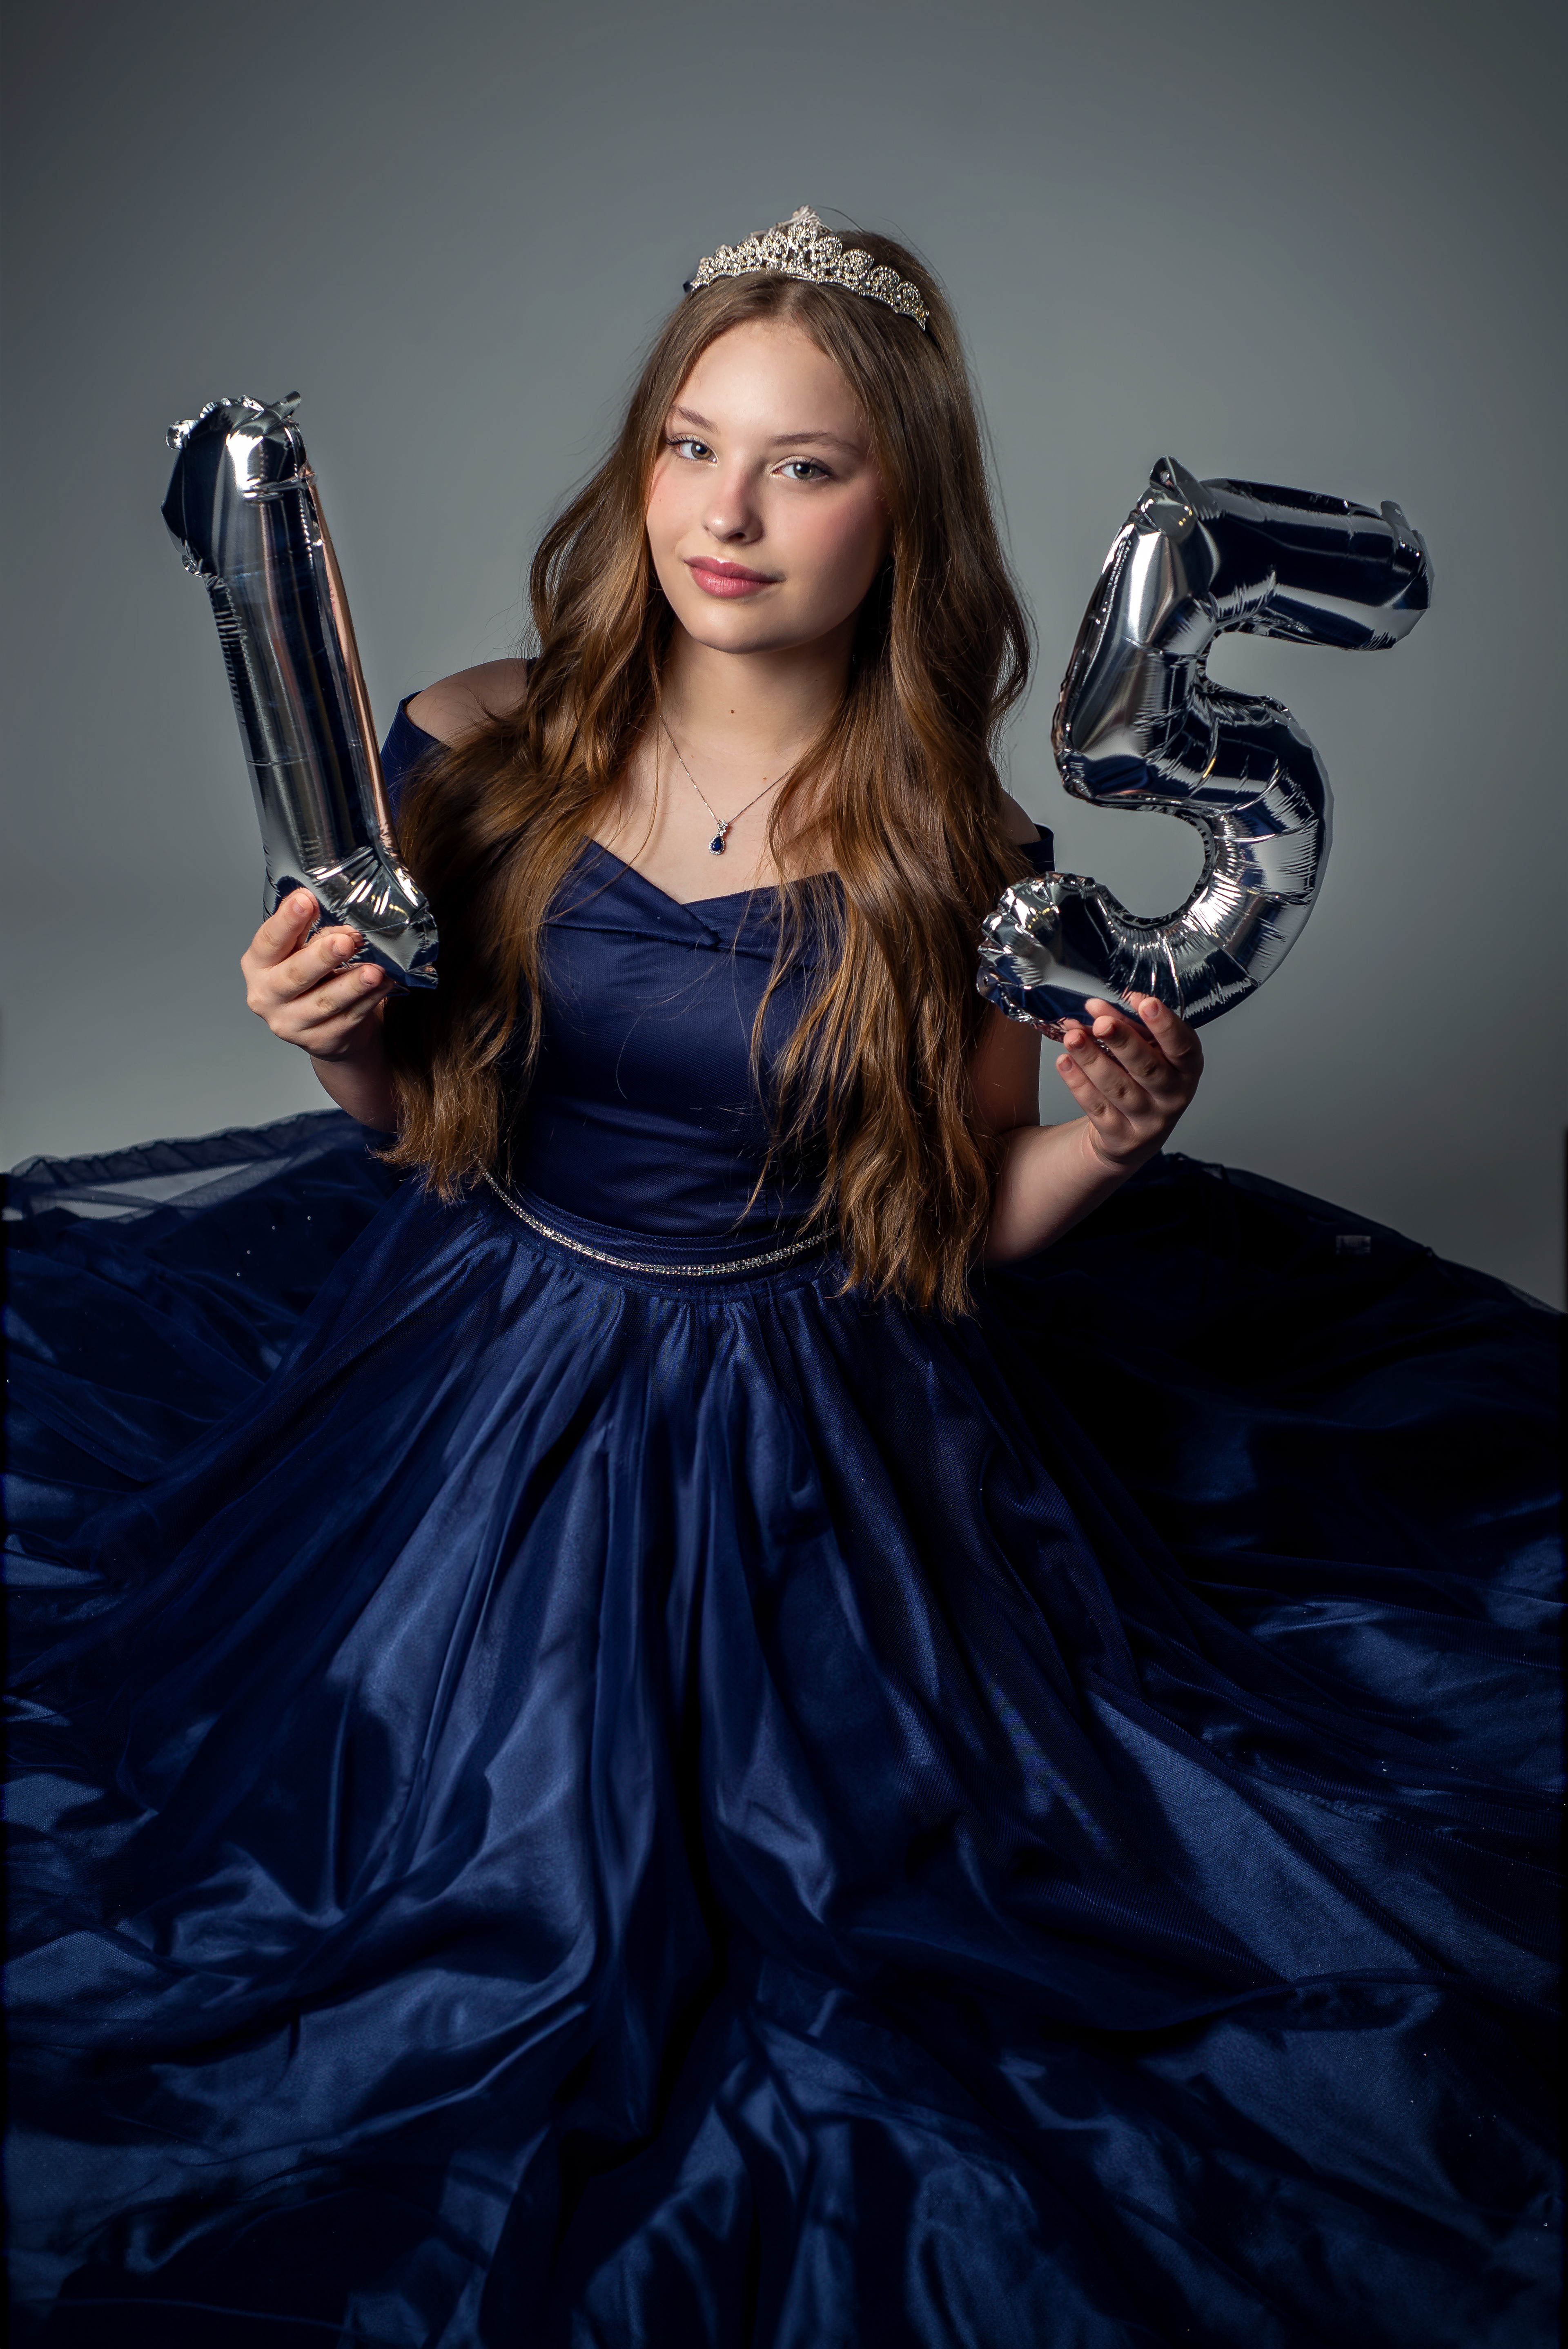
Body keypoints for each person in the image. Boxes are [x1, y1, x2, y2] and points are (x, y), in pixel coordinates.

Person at [5, 209, 1558, 2349]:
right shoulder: (479, 743)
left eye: (806, 465)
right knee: (425, 1853)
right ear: (640, 463)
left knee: (861, 1892)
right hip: (490, 1376)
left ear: (900, 507)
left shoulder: (963, 863)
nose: (727, 513)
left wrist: (1105, 1144)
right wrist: (337, 1036)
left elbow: (947, 1235)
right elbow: (411, 1134)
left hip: (820, 1418)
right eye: (691, 444)